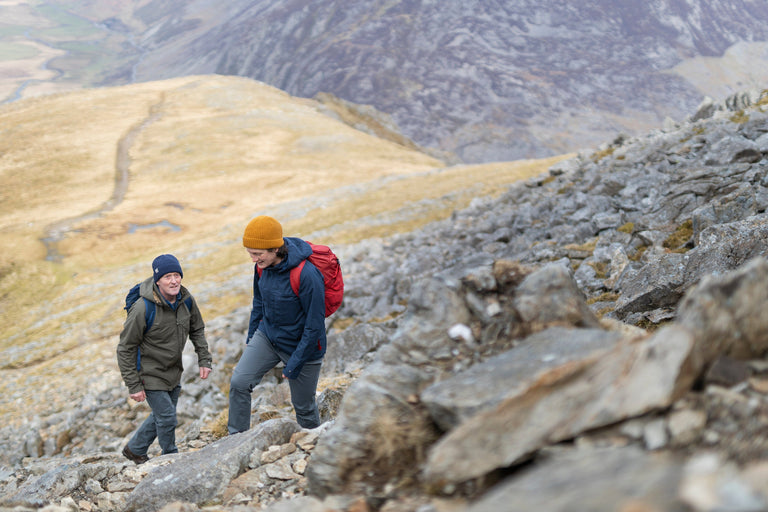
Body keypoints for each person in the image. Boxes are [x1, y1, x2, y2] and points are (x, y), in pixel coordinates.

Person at [228, 215, 326, 432]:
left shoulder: (307, 275)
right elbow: (259, 302)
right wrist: (252, 337)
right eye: (250, 253)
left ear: (275, 248)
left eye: (258, 254)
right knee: (239, 383)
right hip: (268, 336)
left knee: (303, 407)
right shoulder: (261, 267)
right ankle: (235, 441)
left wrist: (295, 363)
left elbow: (315, 325)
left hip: (304, 347)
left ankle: (314, 443)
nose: (253, 259)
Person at [117, 254, 212, 463]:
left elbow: (197, 329)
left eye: (177, 275)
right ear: (157, 280)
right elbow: (125, 347)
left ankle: (135, 449)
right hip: (149, 373)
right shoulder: (143, 308)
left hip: (173, 371)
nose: (174, 281)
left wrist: (204, 359)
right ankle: (171, 459)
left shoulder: (186, 300)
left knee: (161, 415)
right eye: (168, 276)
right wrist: (133, 385)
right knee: (167, 417)